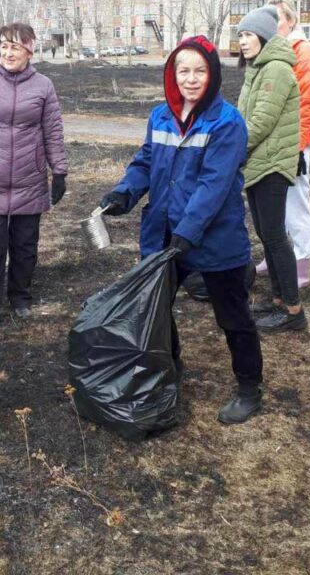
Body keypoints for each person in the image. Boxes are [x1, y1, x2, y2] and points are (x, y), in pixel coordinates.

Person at [100, 35, 264, 425]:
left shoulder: (227, 123)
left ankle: (249, 388)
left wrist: (188, 230)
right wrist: (125, 192)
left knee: (233, 316)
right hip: (163, 233)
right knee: (157, 309)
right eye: (183, 71)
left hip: (215, 238)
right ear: (172, 75)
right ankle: (169, 366)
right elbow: (145, 162)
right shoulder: (160, 116)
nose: (191, 79)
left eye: (200, 71)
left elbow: (214, 184)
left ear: (213, 74)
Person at [0, 22, 68, 336]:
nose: (7, 53)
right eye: (3, 46)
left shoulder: (43, 86)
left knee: (25, 245)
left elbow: (53, 132)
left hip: (30, 179)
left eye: (15, 47)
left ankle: (20, 297)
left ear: (30, 50)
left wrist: (59, 171)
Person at [236, 6, 307, 332]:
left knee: (275, 236)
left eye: (248, 34)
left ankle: (293, 310)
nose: (242, 41)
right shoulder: (258, 68)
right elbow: (244, 116)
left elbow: (261, 121)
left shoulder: (276, 69)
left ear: (264, 36)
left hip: (273, 163)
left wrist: (233, 149)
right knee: (267, 234)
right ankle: (279, 299)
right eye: (240, 35)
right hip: (260, 161)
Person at [253, 0, 310, 288]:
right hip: (274, 140)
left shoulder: (304, 54)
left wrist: (296, 149)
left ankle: (301, 264)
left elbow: (305, 106)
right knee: (275, 204)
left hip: (293, 142)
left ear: (291, 21)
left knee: (296, 203)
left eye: (277, 19)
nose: (271, 26)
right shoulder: (273, 52)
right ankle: (275, 257)